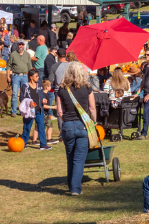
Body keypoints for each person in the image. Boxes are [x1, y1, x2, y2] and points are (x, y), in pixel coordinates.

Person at [56, 62, 96, 196]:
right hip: (83, 125)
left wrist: (66, 121)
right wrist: (94, 121)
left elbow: (60, 111)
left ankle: (71, 184)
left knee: (70, 156)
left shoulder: (61, 89)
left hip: (67, 125)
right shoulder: (87, 88)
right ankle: (75, 188)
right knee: (79, 159)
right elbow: (92, 108)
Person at [19, 69, 51, 150]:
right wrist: (29, 103)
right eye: (36, 76)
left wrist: (43, 99)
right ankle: (23, 144)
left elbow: (41, 95)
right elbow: (22, 98)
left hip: (39, 110)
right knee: (27, 127)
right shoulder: (25, 86)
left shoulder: (39, 85)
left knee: (41, 127)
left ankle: (43, 145)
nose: (38, 77)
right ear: (31, 77)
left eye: (38, 76)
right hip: (29, 111)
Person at [9, 42, 32, 117]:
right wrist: (8, 76)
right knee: (15, 94)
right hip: (16, 76)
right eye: (20, 44)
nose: (21, 46)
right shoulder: (13, 54)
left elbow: (30, 67)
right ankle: (13, 111)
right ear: (17, 45)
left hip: (25, 76)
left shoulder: (27, 55)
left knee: (25, 94)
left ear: (24, 46)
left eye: (22, 45)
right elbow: (8, 66)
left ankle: (24, 110)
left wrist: (30, 77)